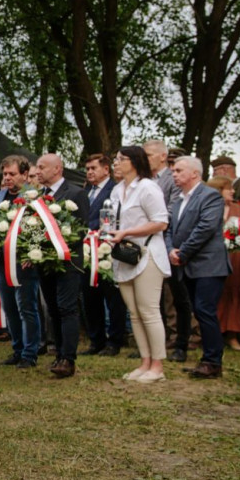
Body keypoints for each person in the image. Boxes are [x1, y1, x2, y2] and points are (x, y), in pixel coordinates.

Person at [108, 147, 171, 383]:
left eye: (121, 159)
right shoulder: (116, 190)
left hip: (147, 253)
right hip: (124, 255)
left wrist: (127, 231)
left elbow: (161, 222)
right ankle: (145, 362)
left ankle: (158, 366)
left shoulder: (147, 187)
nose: (116, 163)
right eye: (116, 159)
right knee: (134, 314)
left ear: (135, 162)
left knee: (149, 311)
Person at [166, 156, 231, 379]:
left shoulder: (210, 196)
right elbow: (169, 230)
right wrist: (170, 250)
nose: (174, 174)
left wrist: (182, 252)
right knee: (199, 311)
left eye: (179, 170)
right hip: (188, 264)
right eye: (173, 171)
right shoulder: (178, 201)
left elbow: (205, 228)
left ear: (195, 173)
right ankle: (208, 360)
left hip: (209, 265)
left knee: (205, 310)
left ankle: (213, 362)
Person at [35, 153, 90, 378]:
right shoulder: (38, 196)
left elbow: (82, 228)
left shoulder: (76, 193)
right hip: (44, 263)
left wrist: (56, 248)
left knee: (67, 308)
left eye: (41, 167)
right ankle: (58, 352)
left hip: (67, 262)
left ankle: (68, 358)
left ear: (57, 169)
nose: (37, 171)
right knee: (53, 309)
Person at [0, 156, 42, 368]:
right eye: (5, 174)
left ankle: (30, 352)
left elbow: (39, 229)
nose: (8, 178)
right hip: (2, 260)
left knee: (26, 307)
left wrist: (32, 253)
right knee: (9, 308)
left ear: (24, 174)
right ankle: (17, 348)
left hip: (23, 261)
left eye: (12, 174)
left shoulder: (33, 196)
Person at [145, 140, 192, 362]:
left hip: (168, 242)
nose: (145, 159)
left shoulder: (172, 179)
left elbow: (171, 213)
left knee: (179, 297)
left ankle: (181, 343)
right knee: (153, 299)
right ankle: (156, 343)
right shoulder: (144, 180)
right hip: (146, 243)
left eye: (149, 155)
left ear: (162, 156)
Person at [82, 153, 127, 356]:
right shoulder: (86, 191)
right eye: (88, 168)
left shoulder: (115, 190)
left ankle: (115, 340)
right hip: (87, 249)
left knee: (112, 296)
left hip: (107, 248)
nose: (90, 172)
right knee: (90, 296)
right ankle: (96, 340)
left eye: (94, 168)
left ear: (106, 169)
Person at [205, 176, 240, 351]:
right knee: (213, 295)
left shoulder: (238, 209)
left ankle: (233, 334)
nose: (233, 192)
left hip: (235, 258)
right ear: (219, 190)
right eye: (229, 189)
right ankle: (213, 334)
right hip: (212, 258)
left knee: (233, 293)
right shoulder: (209, 207)